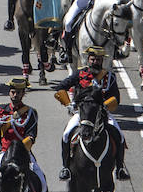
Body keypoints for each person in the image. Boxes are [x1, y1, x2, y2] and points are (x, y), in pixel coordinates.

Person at [53, 45, 129, 182]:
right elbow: (60, 87)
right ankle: (65, 167)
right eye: (93, 59)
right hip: (82, 113)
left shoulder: (109, 76)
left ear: (102, 61)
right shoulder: (79, 74)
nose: (95, 62)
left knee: (119, 135)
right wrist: (68, 104)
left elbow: (116, 97)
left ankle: (120, 168)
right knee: (66, 134)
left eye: (98, 60)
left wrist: (105, 106)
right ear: (88, 59)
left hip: (101, 113)